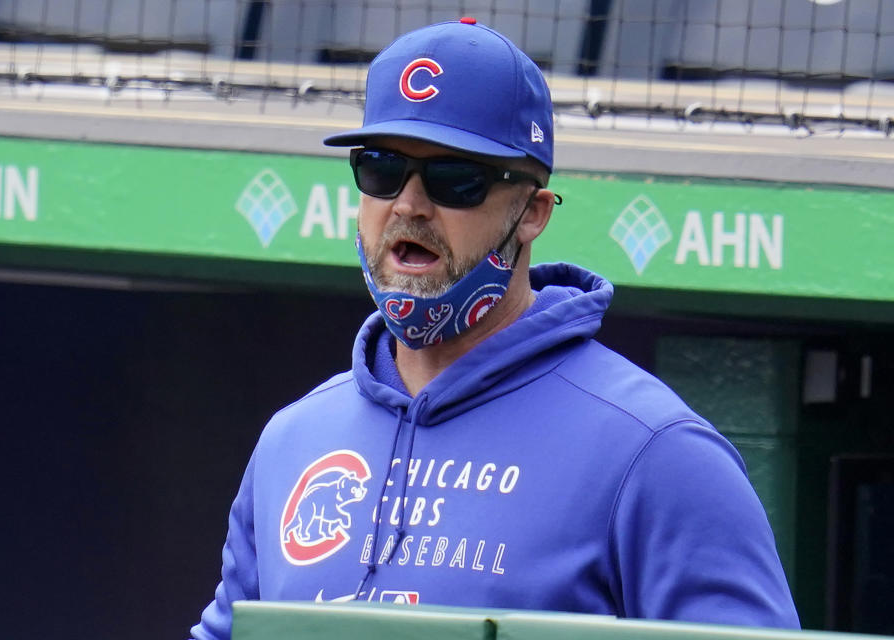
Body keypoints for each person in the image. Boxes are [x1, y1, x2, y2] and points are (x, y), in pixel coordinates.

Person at [191, 18, 799, 640]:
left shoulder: (655, 451)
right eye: (381, 168)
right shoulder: (293, 438)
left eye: (456, 179)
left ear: (531, 212)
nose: (408, 204)